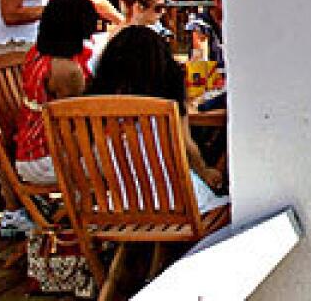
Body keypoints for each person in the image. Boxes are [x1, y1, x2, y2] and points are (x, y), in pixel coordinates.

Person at [86, 26, 226, 211]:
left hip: (122, 205)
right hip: (176, 202)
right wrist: (205, 171)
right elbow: (187, 145)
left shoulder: (97, 105)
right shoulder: (166, 99)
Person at [2, 0, 99, 238]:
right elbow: (77, 128)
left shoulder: (36, 54)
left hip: (30, 148)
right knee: (126, 156)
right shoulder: (67, 71)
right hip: (48, 157)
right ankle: (91, 222)